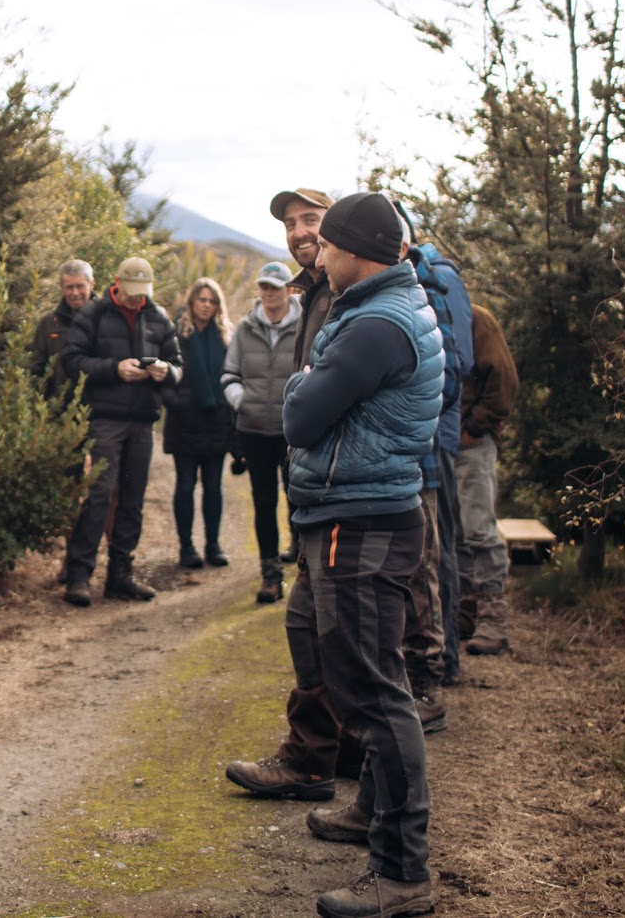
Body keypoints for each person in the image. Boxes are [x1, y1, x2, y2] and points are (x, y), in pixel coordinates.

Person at [282, 192, 443, 918]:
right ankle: (371, 815)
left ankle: (402, 873)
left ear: (352, 250)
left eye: (328, 243)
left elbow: (301, 415)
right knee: (375, 679)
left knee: (374, 698)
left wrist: (297, 387)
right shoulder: (384, 305)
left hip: (363, 519)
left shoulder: (376, 324)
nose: (318, 251)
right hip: (367, 511)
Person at [226, 186, 368, 803]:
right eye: (290, 223)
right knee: (319, 623)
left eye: (310, 220)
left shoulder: (351, 296)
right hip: (320, 478)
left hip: (346, 483)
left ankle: (317, 757)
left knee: (330, 627)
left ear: (335, 229)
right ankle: (336, 750)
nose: (298, 231)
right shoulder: (315, 294)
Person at [390, 200, 474, 729]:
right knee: (423, 554)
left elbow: (450, 371)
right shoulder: (415, 285)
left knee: (430, 555)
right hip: (417, 443)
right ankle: (431, 668)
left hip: (425, 445)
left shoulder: (433, 287)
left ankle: (437, 672)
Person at [58, 256, 183, 606]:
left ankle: (120, 576)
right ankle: (79, 576)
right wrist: (115, 369)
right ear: (116, 282)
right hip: (105, 419)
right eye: (131, 291)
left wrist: (165, 371)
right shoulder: (93, 314)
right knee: (99, 495)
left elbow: (178, 365)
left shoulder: (158, 318)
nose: (135, 299)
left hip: (143, 419)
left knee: (132, 499)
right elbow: (72, 360)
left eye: (142, 292)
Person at [222, 260, 303, 603]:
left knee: (298, 498)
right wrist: (243, 401)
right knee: (263, 502)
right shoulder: (244, 328)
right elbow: (228, 374)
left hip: (294, 432)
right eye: (264, 287)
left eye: (275, 287)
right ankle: (270, 575)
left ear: (290, 290)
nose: (269, 293)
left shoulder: (304, 325)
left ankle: (303, 564)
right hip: (254, 429)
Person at [457, 302, 520, 656]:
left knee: (479, 529)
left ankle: (493, 618)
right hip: (442, 443)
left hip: (472, 443)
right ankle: (466, 613)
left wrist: (475, 426)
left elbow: (504, 379)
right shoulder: (421, 309)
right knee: (453, 533)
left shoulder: (476, 318)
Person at [164, 277, 235, 570]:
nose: (206, 305)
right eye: (201, 300)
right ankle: (186, 546)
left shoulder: (225, 336)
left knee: (214, 487)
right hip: (184, 422)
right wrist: (178, 404)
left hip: (217, 421)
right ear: (191, 301)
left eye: (212, 301)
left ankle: (213, 544)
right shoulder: (176, 334)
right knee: (184, 485)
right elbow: (166, 375)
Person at [31, 259, 97, 400]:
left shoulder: (106, 318)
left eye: (80, 286)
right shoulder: (48, 324)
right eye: (69, 287)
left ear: (91, 284)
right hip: (58, 409)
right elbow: (36, 367)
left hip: (99, 411)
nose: (75, 293)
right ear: (61, 287)